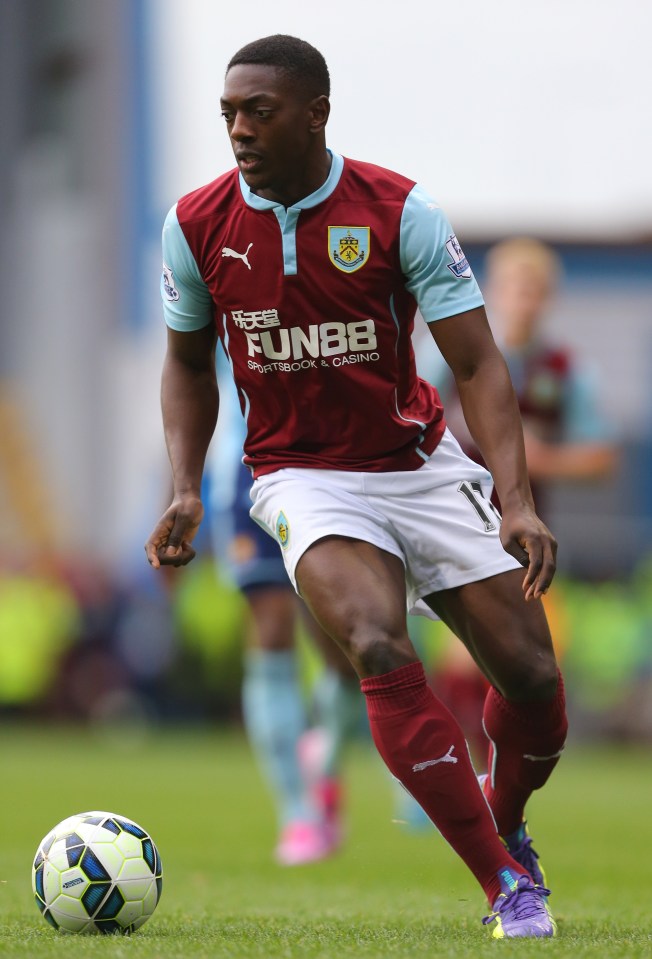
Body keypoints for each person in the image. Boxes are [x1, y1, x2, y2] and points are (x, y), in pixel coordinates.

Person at [145, 35, 568, 938]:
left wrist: (517, 498)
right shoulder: (196, 224)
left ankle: (505, 815)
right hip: (302, 477)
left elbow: (480, 365)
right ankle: (505, 886)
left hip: (418, 467)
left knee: (534, 684)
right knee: (374, 641)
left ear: (315, 114)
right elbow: (185, 362)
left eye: (259, 110)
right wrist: (186, 485)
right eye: (228, 112)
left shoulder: (397, 209)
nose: (239, 129)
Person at [424, 237, 617, 763]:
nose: (523, 300)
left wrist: (536, 458)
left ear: (547, 297)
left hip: (527, 536)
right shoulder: (452, 354)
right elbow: (410, 415)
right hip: (454, 520)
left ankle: (483, 776)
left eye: (534, 290)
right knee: (464, 656)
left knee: (523, 664)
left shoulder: (563, 371)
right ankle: (451, 768)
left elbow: (603, 456)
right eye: (514, 288)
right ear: (493, 293)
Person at [205, 368, 362, 865]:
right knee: (271, 628)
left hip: (330, 472)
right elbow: (188, 375)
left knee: (343, 646)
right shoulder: (221, 290)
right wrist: (184, 486)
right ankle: (297, 813)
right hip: (246, 477)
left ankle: (326, 758)